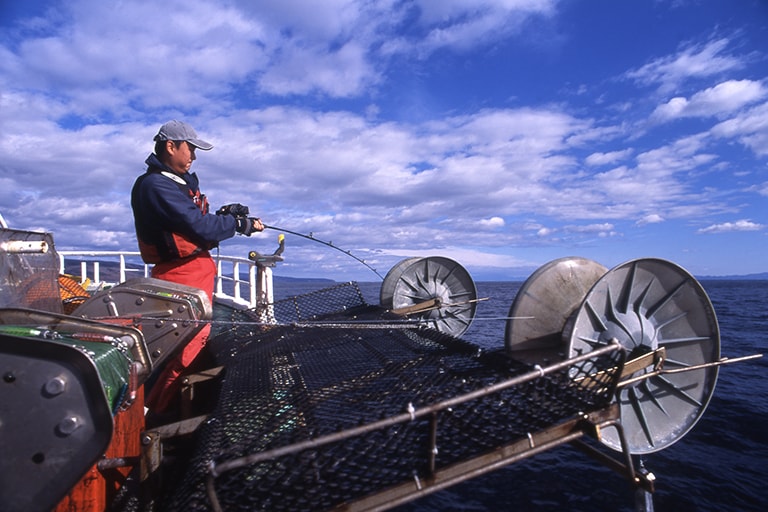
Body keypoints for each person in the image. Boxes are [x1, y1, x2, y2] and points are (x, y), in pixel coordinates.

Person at [131, 120, 264, 414]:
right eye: (190, 148)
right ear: (171, 146)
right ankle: (148, 413)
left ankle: (158, 406)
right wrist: (239, 225)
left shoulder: (173, 183)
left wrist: (225, 215)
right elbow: (200, 228)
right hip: (181, 276)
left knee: (189, 343)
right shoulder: (156, 185)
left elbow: (193, 223)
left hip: (192, 274)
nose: (193, 156)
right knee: (182, 348)